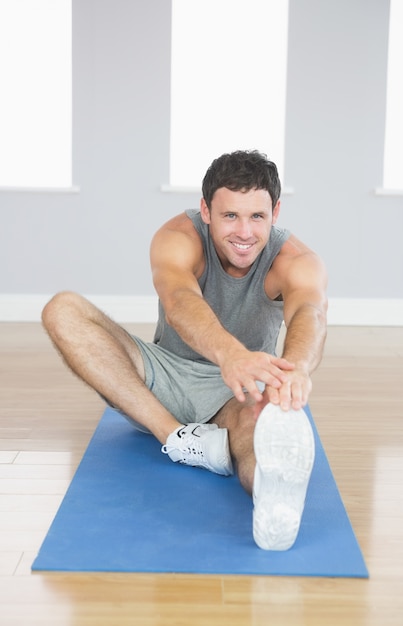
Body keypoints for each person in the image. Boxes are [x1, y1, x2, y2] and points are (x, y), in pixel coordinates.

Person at [42, 150, 328, 551]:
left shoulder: (296, 261)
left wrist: (297, 368)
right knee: (62, 309)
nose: (244, 232)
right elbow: (178, 299)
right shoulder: (178, 237)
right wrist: (230, 354)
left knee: (256, 428)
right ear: (206, 210)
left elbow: (310, 312)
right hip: (165, 374)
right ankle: (178, 438)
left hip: (237, 390)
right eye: (230, 216)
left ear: (275, 213)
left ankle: (272, 492)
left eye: (257, 217)